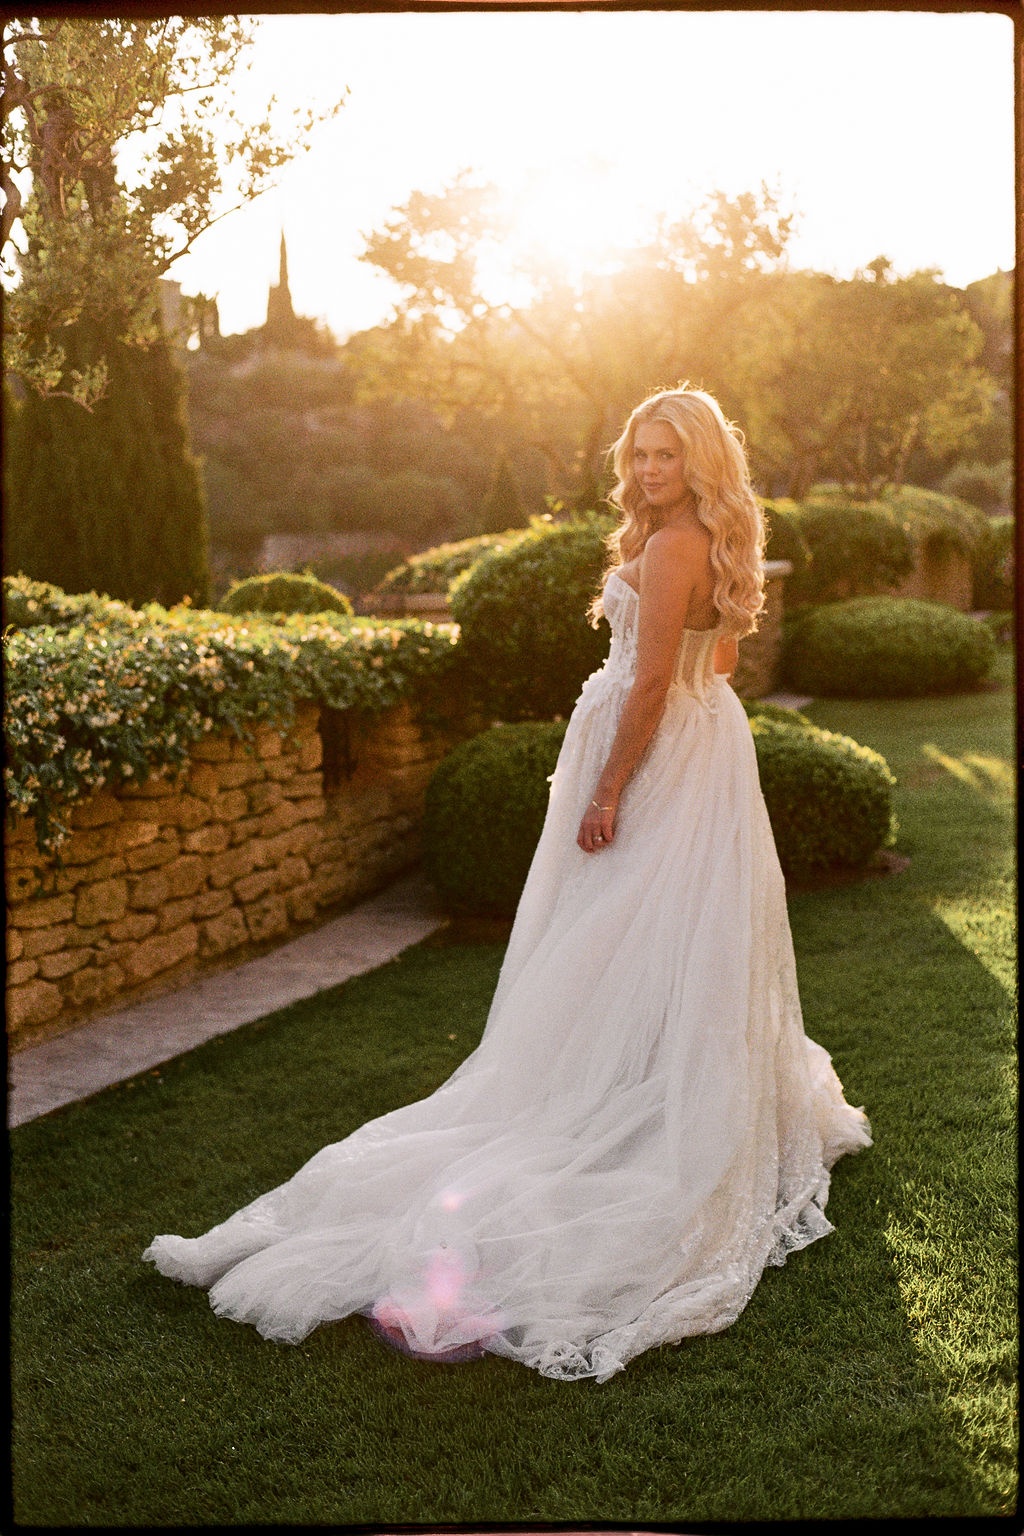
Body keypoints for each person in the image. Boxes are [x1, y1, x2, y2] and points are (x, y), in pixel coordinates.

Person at [144, 386, 870, 1382]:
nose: (649, 470)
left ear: (699, 459)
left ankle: (614, 1099)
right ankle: (649, 1083)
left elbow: (653, 681)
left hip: (652, 755)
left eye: (667, 454)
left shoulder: (667, 547)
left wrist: (609, 787)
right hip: (705, 748)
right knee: (661, 937)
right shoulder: (713, 538)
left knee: (613, 930)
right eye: (640, 453)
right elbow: (722, 661)